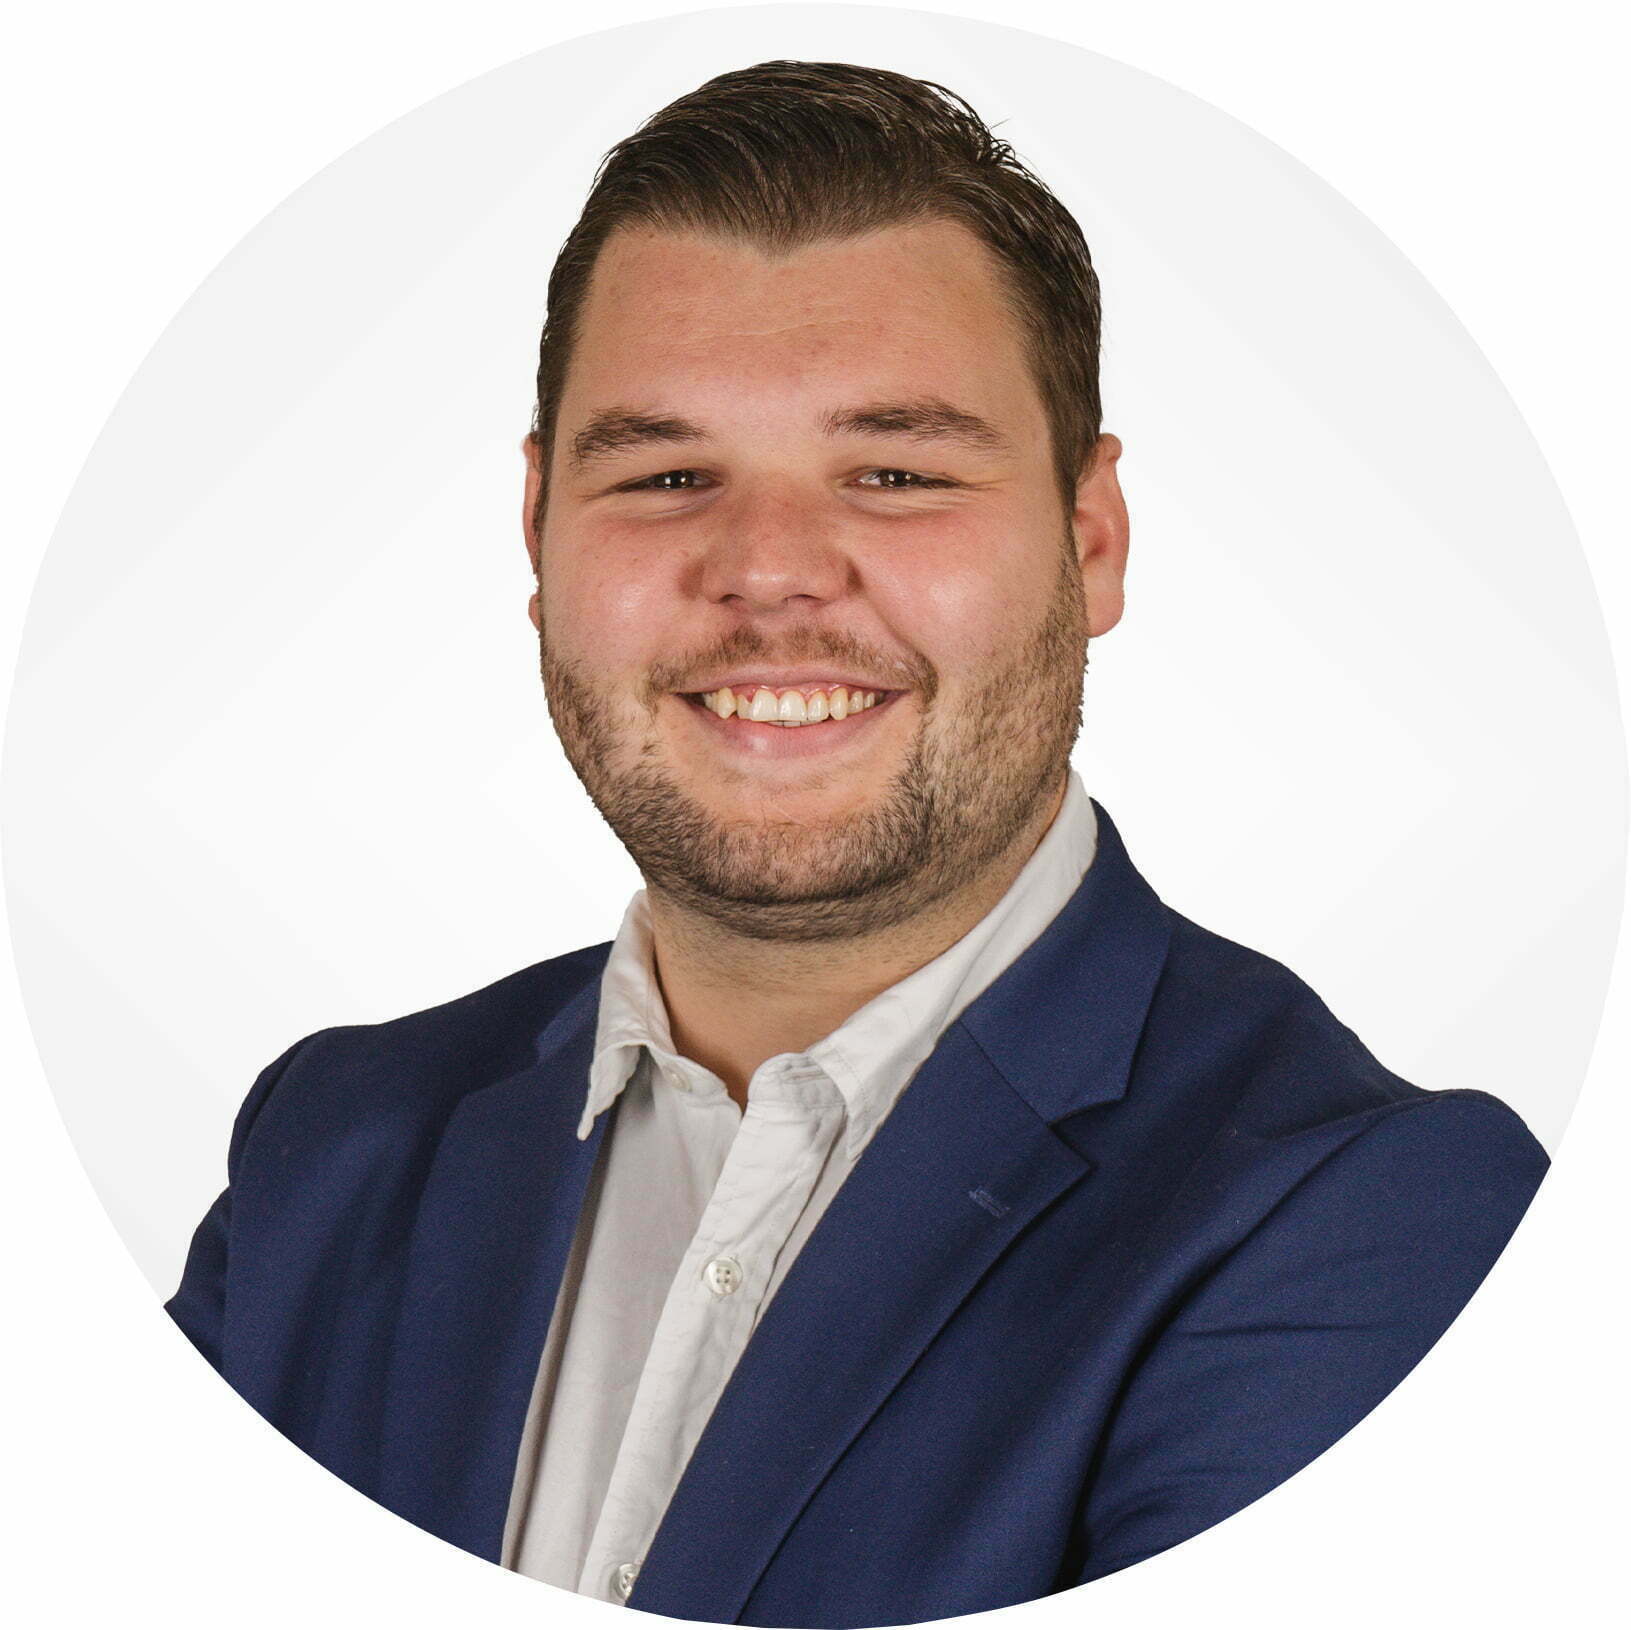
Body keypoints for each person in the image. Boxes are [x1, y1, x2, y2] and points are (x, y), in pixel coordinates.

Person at [166, 59, 1549, 1626]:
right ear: (539, 529)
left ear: (1091, 540)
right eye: (666, 473)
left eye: (895, 474)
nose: (768, 570)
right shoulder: (328, 1150)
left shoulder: (1368, 1222)